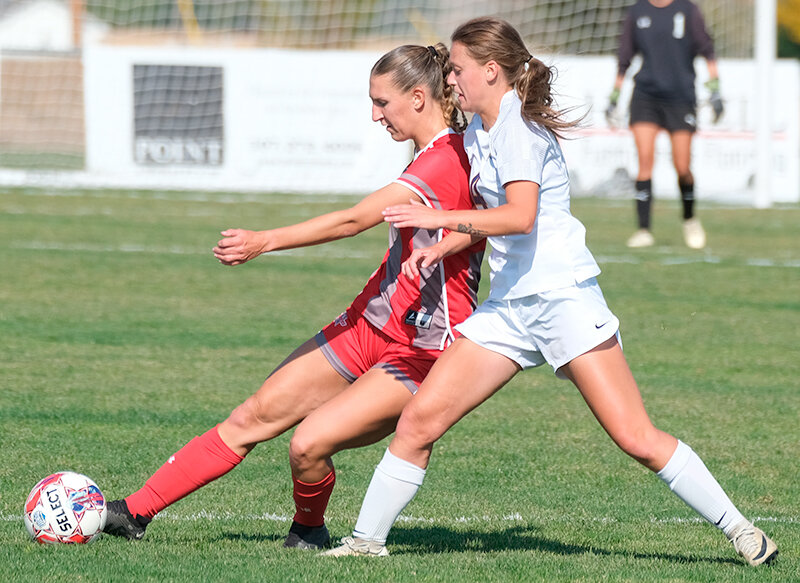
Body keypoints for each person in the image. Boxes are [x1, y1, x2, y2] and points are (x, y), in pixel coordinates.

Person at [322, 17, 777, 567]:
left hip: (562, 299)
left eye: (459, 70)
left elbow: (520, 216)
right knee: (420, 420)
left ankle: (743, 531)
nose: (452, 81)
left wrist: (436, 217)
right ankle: (366, 542)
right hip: (510, 308)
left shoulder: (518, 129)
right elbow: (493, 216)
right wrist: (442, 246)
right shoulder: (479, 132)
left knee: (635, 436)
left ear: (491, 71)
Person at [101, 43, 485, 550]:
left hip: (424, 348)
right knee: (253, 415)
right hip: (367, 324)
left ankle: (308, 528)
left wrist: (265, 240)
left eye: (382, 103)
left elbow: (354, 221)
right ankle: (133, 512)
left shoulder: (446, 159)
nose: (374, 115)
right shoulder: (434, 154)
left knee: (307, 445)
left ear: (418, 98)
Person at [605, 0, 723, 249]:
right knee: (645, 161)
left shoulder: (688, 9)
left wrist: (715, 90)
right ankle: (644, 230)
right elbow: (625, 57)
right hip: (645, 96)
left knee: (682, 166)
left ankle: (689, 218)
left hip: (681, 97)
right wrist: (615, 97)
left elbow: (707, 50)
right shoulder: (638, 11)